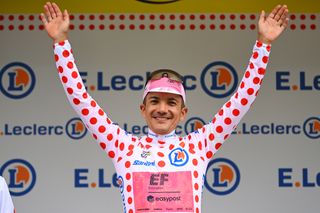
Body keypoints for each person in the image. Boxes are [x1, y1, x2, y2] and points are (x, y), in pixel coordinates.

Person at [41, 2, 289, 213]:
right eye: (154, 101)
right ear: (143, 109)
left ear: (183, 113)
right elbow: (81, 100)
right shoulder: (123, 147)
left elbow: (242, 99)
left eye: (171, 102)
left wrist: (263, 44)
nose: (162, 108)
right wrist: (61, 43)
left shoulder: (199, 145)